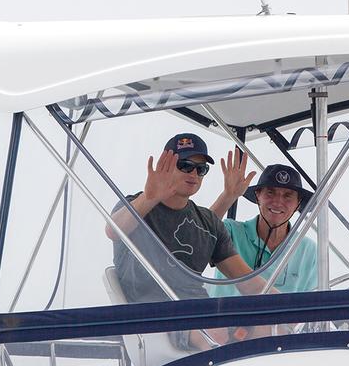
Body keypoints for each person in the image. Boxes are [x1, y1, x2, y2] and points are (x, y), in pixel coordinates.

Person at [105, 133, 275, 350]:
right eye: (185, 166)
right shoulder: (136, 207)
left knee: (269, 328)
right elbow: (113, 230)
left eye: (201, 169)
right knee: (215, 331)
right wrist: (149, 197)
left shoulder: (208, 221)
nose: (194, 173)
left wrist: (295, 308)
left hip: (203, 312)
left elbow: (249, 282)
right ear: (165, 166)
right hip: (155, 317)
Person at [208, 148, 317, 297]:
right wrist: (228, 195)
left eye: (287, 196)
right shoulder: (230, 231)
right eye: (270, 192)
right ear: (258, 196)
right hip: (226, 320)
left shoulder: (309, 250)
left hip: (283, 321)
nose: (278, 202)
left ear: (298, 203)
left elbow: (313, 305)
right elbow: (197, 232)